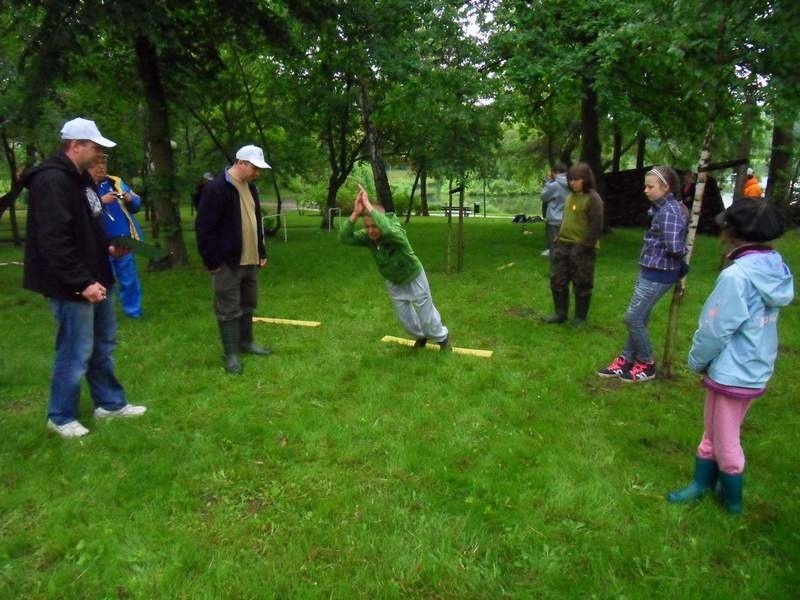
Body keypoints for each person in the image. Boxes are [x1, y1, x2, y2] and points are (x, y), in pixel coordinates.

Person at [666, 198, 793, 514]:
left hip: (733, 371)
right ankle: (702, 484)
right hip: (754, 366)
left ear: (732, 232)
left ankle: (732, 501)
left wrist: (697, 361)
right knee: (715, 429)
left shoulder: (736, 277)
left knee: (726, 440)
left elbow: (715, 328)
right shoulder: (774, 266)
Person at [22, 117, 147, 438]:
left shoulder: (82, 180)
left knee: (103, 344)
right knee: (75, 350)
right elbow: (54, 240)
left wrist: (108, 247)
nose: (98, 154)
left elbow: (88, 228)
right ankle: (61, 417)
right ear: (75, 145)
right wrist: (82, 282)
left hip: (98, 275)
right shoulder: (51, 181)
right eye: (95, 147)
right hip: (71, 284)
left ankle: (109, 404)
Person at [597, 167, 689, 382]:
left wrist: (681, 254)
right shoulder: (660, 208)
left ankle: (647, 363)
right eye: (645, 186)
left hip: (660, 273)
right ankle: (626, 359)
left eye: (650, 186)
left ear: (666, 187)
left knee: (633, 318)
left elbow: (675, 246)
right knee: (641, 316)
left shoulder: (670, 211)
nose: (645, 190)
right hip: (650, 269)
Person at [340, 185, 451, 351]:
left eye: (374, 226)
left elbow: (388, 230)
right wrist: (356, 213)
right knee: (406, 320)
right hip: (394, 282)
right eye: (367, 226)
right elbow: (344, 237)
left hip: (413, 276)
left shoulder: (395, 231)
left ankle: (443, 339)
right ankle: (421, 337)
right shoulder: (368, 237)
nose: (370, 230)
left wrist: (368, 205)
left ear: (380, 220)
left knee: (426, 316)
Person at [195, 145, 272, 375]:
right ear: (241, 163)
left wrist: (261, 252)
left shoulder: (252, 188)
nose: (258, 173)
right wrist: (212, 261)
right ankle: (231, 355)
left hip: (251, 259)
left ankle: (246, 343)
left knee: (248, 302)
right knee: (228, 308)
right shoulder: (216, 189)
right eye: (255, 168)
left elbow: (256, 222)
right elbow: (204, 228)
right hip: (227, 261)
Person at [542, 162, 604, 326]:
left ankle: (579, 318)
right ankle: (560, 314)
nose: (573, 183)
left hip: (582, 247)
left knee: (582, 282)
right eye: (570, 179)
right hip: (563, 243)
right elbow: (567, 219)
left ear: (586, 179)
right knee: (558, 279)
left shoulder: (593, 198)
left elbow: (596, 226)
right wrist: (558, 237)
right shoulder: (570, 197)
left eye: (577, 179)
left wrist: (585, 246)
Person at [88, 154, 145, 318]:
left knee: (129, 278)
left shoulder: (115, 182)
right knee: (103, 280)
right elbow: (79, 211)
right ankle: (104, 314)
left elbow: (136, 206)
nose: (101, 167)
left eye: (103, 163)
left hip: (122, 239)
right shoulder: (84, 186)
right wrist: (101, 201)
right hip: (98, 243)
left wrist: (130, 199)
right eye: (96, 163)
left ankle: (134, 312)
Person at [540, 164, 569, 257]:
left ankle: (555, 260)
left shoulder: (554, 185)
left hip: (554, 217)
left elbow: (544, 196)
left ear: (556, 173)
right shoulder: (571, 183)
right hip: (567, 217)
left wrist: (548, 182)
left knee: (554, 242)